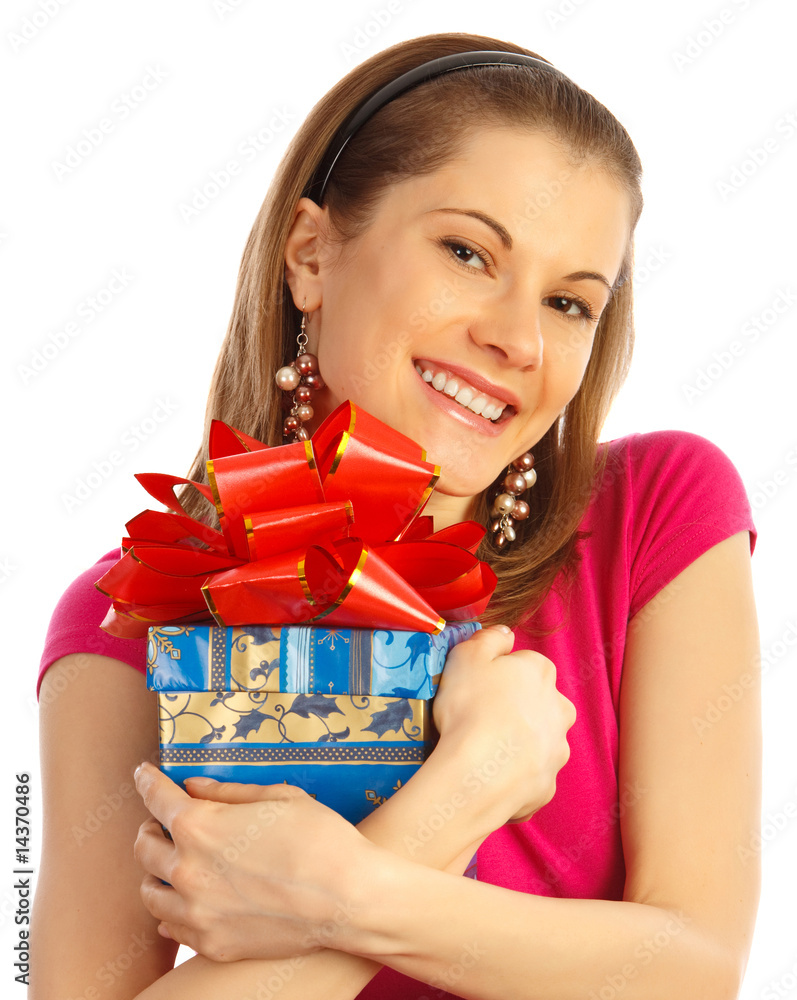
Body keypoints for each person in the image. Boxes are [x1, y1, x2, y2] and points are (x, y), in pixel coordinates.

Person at [31, 32, 761, 1000]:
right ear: (310, 255)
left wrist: (335, 897)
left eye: (568, 302)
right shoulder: (132, 615)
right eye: (467, 252)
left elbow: (691, 970)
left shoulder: (656, 513)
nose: (515, 338)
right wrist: (468, 786)